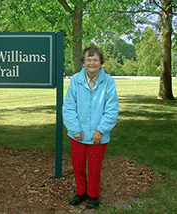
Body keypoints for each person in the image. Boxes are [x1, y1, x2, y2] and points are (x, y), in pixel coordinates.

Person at [62, 46, 119, 209]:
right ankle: (81, 193)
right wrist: (75, 129)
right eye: (88, 59)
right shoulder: (75, 80)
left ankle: (93, 196)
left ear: (101, 62)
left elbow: (112, 108)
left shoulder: (108, 81)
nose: (92, 63)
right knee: (78, 166)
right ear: (83, 62)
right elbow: (68, 107)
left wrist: (100, 130)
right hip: (78, 134)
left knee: (94, 168)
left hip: (98, 136)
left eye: (95, 60)